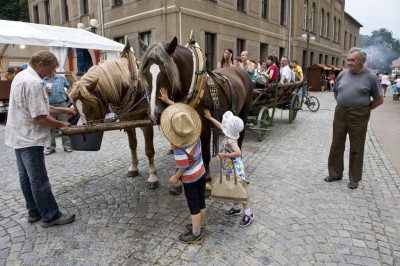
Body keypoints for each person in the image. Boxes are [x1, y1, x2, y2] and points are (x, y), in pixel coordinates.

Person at [5, 50, 76, 227]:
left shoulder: (21, 76)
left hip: (18, 135)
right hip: (30, 137)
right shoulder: (34, 82)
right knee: (39, 179)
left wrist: (65, 111)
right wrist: (62, 125)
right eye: (50, 69)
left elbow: (40, 106)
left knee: (26, 177)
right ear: (40, 65)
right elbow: (41, 117)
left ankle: (34, 211)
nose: (51, 73)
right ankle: (50, 216)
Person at [324, 47, 383, 190]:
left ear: (361, 61)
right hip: (340, 113)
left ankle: (354, 178)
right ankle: (335, 173)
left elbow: (379, 100)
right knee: (337, 144)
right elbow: (336, 93)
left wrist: (364, 109)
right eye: (348, 59)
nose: (349, 62)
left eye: (352, 60)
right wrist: (344, 103)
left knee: (356, 147)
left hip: (359, 115)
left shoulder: (370, 77)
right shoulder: (342, 74)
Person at [160, 103, 206, 244]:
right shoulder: (195, 136)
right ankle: (199, 225)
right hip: (202, 173)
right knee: (201, 202)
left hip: (190, 180)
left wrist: (175, 177)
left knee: (193, 206)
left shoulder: (178, 147)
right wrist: (169, 101)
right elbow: (184, 115)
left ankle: (196, 234)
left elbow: (183, 166)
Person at [204, 109, 254, 227]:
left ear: (229, 128)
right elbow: (220, 125)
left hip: (235, 167)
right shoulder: (228, 133)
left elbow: (238, 152)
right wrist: (210, 118)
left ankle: (248, 213)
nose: (223, 125)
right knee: (232, 186)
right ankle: (236, 208)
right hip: (229, 166)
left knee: (240, 189)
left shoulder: (231, 141)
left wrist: (225, 155)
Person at [43, 71, 72, 154]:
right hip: (48, 105)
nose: (49, 71)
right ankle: (50, 147)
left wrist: (68, 93)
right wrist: (44, 91)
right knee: (50, 127)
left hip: (61, 103)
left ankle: (67, 146)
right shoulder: (42, 80)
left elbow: (69, 87)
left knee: (64, 125)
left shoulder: (61, 78)